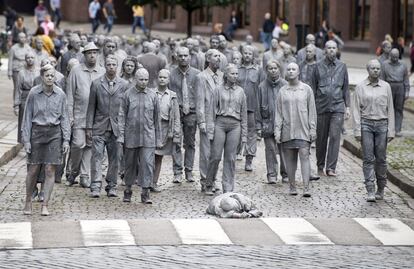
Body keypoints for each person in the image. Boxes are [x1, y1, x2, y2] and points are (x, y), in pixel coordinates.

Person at [21, 64, 70, 216]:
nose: (50, 78)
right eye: (47, 75)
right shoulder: (34, 93)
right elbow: (27, 117)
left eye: (52, 75)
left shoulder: (60, 94)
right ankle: (28, 199)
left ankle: (45, 204)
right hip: (37, 133)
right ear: (42, 77)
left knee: (50, 169)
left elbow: (65, 118)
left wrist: (66, 139)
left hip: (54, 134)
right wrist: (26, 140)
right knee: (33, 169)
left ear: (55, 77)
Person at [352, 59, 395, 202]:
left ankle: (381, 188)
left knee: (381, 159)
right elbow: (356, 110)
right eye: (373, 68)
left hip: (382, 125)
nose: (376, 70)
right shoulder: (360, 87)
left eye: (378, 68)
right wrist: (357, 130)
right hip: (366, 124)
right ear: (368, 70)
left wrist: (391, 131)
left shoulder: (386, 87)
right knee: (368, 158)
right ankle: (370, 188)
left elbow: (390, 110)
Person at [87, 55, 128, 198]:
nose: (111, 67)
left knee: (115, 158)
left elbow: (126, 108)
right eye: (109, 64)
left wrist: (124, 129)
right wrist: (88, 128)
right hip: (99, 126)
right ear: (105, 66)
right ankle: (96, 186)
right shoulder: (96, 83)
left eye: (114, 64)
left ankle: (112, 186)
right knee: (97, 157)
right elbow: (91, 107)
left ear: (117, 67)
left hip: (116, 127)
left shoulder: (124, 85)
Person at [118, 68, 161, 204]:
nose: (144, 82)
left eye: (146, 80)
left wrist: (158, 139)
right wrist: (121, 136)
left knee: (148, 164)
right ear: (136, 79)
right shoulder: (127, 95)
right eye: (141, 79)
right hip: (131, 136)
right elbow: (121, 116)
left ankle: (145, 192)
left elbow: (157, 119)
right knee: (130, 164)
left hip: (148, 136)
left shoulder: (153, 96)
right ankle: (128, 189)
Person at [66, 42, 105, 187]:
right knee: (77, 144)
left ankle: (84, 175)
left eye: (94, 53)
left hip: (96, 118)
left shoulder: (102, 71)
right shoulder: (76, 71)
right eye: (89, 53)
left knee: (89, 146)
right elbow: (70, 96)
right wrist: (70, 116)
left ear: (98, 54)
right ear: (84, 55)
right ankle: (73, 171)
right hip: (79, 115)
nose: (92, 55)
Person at [204, 64, 247, 195]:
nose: (235, 76)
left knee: (230, 158)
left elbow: (244, 115)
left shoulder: (241, 91)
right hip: (220, 123)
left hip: (235, 125)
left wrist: (244, 136)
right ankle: (209, 183)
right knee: (215, 156)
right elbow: (211, 111)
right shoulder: (218, 90)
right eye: (232, 74)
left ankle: (228, 187)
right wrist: (210, 130)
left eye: (236, 74)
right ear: (226, 75)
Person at [275, 63, 317, 197]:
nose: (291, 71)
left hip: (303, 128)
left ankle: (306, 187)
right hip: (288, 129)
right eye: (288, 69)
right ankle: (292, 186)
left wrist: (312, 129)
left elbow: (312, 111)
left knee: (304, 155)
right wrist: (277, 130)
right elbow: (279, 112)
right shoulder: (282, 91)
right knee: (290, 158)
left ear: (298, 72)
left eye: (294, 69)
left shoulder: (306, 89)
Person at [312, 40, 350, 177]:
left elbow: (346, 88)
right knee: (321, 138)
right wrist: (312, 108)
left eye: (334, 48)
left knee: (335, 136)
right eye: (329, 48)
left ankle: (331, 168)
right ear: (325, 50)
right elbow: (313, 88)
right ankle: (320, 165)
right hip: (321, 106)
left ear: (337, 50)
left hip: (337, 106)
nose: (332, 50)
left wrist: (348, 107)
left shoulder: (342, 66)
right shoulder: (317, 67)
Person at [169, 47, 200, 183]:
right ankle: (177, 172)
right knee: (176, 141)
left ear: (189, 57)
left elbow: (200, 95)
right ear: (176, 57)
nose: (183, 58)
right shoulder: (171, 74)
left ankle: (189, 171)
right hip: (176, 110)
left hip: (191, 111)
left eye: (185, 55)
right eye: (180, 56)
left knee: (190, 143)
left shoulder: (197, 75)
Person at [196, 49, 224, 192]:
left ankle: (213, 179)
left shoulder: (222, 76)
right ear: (208, 59)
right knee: (206, 152)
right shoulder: (201, 77)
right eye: (215, 56)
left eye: (219, 56)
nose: (218, 58)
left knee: (217, 153)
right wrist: (201, 121)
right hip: (207, 118)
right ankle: (205, 180)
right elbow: (200, 100)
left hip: (220, 119)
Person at [257, 60, 288, 184]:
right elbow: (257, 107)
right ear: (266, 70)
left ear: (279, 69)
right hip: (267, 123)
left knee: (284, 150)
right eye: (270, 68)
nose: (273, 70)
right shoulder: (262, 87)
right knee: (270, 150)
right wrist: (258, 126)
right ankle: (272, 174)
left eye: (275, 68)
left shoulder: (285, 85)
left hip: (283, 125)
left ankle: (286, 174)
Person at [153, 69, 181, 192]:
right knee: (148, 156)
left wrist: (176, 133)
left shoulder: (172, 96)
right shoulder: (151, 93)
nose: (162, 79)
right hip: (152, 128)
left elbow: (176, 116)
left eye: (165, 77)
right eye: (160, 77)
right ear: (157, 78)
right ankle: (144, 181)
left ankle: (154, 182)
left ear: (168, 80)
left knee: (158, 157)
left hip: (165, 128)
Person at [238, 45, 262, 172]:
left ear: (253, 56)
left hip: (252, 106)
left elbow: (261, 89)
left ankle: (249, 159)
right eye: (245, 53)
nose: (247, 55)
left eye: (249, 53)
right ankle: (235, 154)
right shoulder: (237, 69)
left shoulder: (258, 70)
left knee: (251, 134)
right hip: (237, 107)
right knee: (237, 132)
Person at [381, 49, 410, 137]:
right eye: (393, 57)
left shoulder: (403, 65)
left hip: (400, 86)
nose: (395, 59)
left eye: (396, 57)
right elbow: (382, 78)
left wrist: (407, 91)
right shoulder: (385, 64)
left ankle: (397, 129)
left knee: (399, 109)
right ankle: (388, 128)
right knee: (387, 108)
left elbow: (406, 79)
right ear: (390, 56)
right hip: (389, 86)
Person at [14, 52, 39, 144]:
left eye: (32, 57)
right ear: (25, 59)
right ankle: (24, 141)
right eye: (28, 58)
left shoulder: (38, 71)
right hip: (25, 97)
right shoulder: (21, 73)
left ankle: (34, 141)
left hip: (36, 97)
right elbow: (17, 89)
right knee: (24, 120)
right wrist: (16, 105)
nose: (30, 59)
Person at [8, 33, 33, 103]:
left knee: (26, 85)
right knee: (17, 87)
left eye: (24, 37)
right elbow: (10, 60)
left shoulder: (28, 48)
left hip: (26, 69)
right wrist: (9, 71)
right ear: (18, 39)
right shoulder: (13, 48)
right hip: (16, 69)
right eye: (21, 37)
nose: (23, 39)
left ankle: (25, 100)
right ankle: (16, 102)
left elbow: (32, 58)